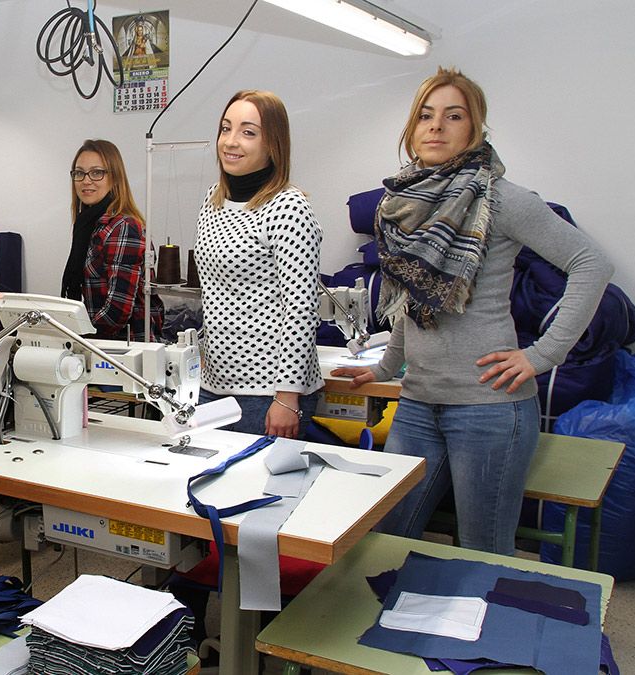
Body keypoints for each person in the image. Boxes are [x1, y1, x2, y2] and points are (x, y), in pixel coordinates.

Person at [331, 67, 612, 555]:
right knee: (384, 540)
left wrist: (542, 355)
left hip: (490, 409)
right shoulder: (399, 204)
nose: (436, 127)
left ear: (475, 129)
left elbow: (592, 264)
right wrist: (385, 367)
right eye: (426, 115)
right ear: (412, 129)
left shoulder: (501, 200)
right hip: (417, 402)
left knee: (483, 551)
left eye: (453, 116)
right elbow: (413, 301)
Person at [195, 90, 324, 439]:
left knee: (254, 492)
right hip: (215, 384)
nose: (231, 142)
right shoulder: (213, 200)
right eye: (226, 128)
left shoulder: (288, 208)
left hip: (267, 392)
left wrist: (287, 396)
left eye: (248, 132)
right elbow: (214, 293)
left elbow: (301, 308)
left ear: (273, 144)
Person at [60, 139, 162, 340]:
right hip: (102, 344)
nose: (86, 180)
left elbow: (117, 311)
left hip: (127, 349)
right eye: (79, 173)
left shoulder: (124, 227)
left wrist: (76, 338)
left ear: (114, 177)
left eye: (97, 172)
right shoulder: (88, 225)